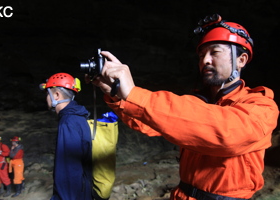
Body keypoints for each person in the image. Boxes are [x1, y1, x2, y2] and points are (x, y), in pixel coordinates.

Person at [90, 14, 279, 200]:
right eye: (202, 55)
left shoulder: (261, 106)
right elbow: (148, 123)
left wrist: (134, 94)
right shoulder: (197, 102)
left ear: (241, 60)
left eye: (215, 52)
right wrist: (115, 94)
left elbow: (224, 132)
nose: (205, 60)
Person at [40, 72, 93, 200]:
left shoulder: (68, 122)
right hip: (83, 190)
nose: (46, 97)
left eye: (48, 93)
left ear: (56, 95)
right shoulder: (78, 118)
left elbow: (69, 171)